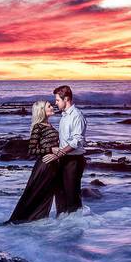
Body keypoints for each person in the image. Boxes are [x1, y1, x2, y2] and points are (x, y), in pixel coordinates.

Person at [6, 100, 61, 223]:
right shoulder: (38, 127)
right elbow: (31, 150)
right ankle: (23, 220)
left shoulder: (49, 125)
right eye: (49, 106)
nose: (52, 107)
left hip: (53, 165)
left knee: (46, 195)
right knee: (35, 195)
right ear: (42, 110)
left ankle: (39, 221)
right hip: (44, 166)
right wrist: (50, 149)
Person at [51, 85, 87, 215]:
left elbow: (77, 141)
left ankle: (75, 225)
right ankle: (62, 224)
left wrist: (60, 153)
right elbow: (64, 140)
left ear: (66, 99)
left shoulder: (77, 116)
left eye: (57, 100)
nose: (55, 103)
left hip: (74, 160)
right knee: (60, 194)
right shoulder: (64, 116)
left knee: (72, 195)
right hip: (63, 159)